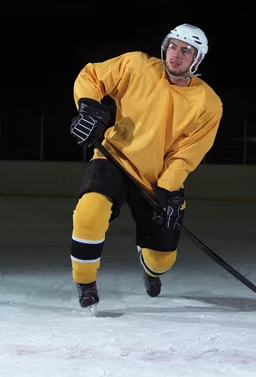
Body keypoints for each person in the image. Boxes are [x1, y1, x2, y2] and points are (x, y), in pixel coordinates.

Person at [68, 24, 223, 313]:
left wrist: (169, 186)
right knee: (89, 213)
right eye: (173, 46)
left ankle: (149, 268)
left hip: (157, 178)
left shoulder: (208, 104)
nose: (176, 54)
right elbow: (92, 75)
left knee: (162, 260)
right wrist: (88, 106)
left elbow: (188, 153)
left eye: (186, 50)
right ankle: (85, 284)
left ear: (197, 59)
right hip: (114, 158)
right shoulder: (137, 65)